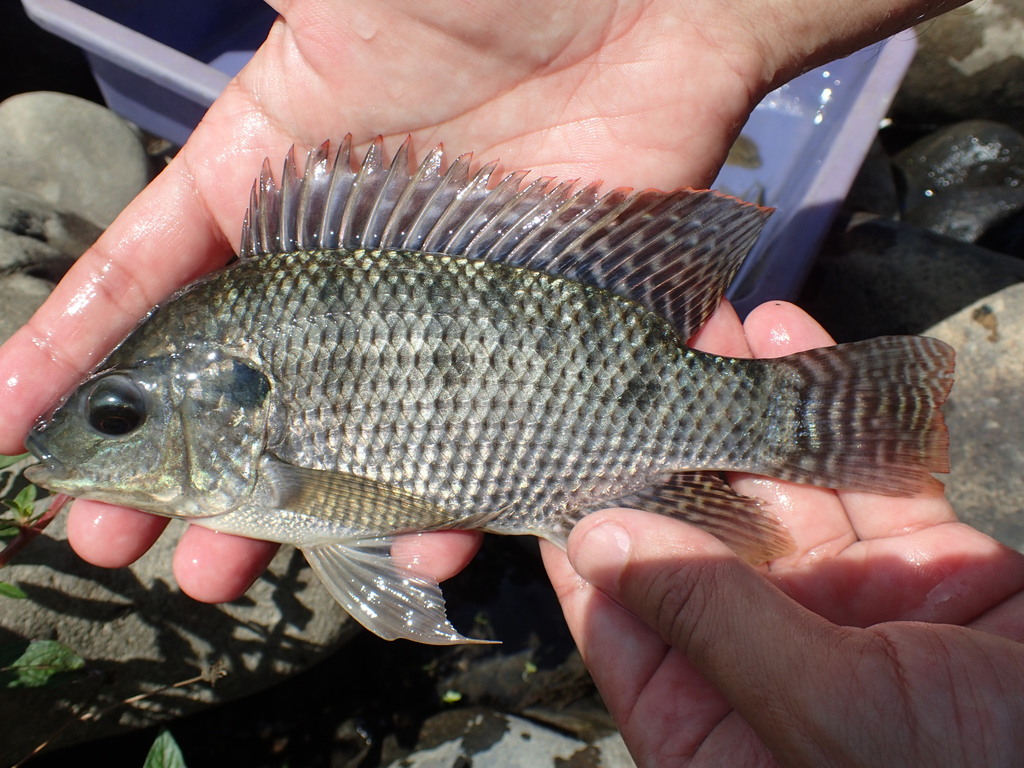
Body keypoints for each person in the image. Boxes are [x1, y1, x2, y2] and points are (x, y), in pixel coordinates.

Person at [4, 1, 1023, 764]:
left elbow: (357, 516)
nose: (96, 438)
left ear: (229, 402)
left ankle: (809, 422)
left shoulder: (273, 411)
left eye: (119, 412)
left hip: (598, 417)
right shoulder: (255, 342)